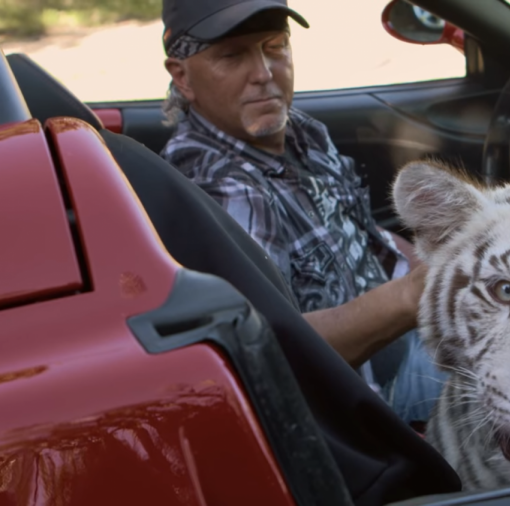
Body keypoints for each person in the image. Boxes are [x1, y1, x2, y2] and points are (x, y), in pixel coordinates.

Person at [158, 0, 445, 425]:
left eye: (275, 46)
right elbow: (272, 351)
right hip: (371, 400)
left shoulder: (300, 132)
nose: (264, 73)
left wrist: (435, 265)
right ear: (182, 77)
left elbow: (366, 236)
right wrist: (413, 295)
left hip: (405, 339)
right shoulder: (226, 189)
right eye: (232, 56)